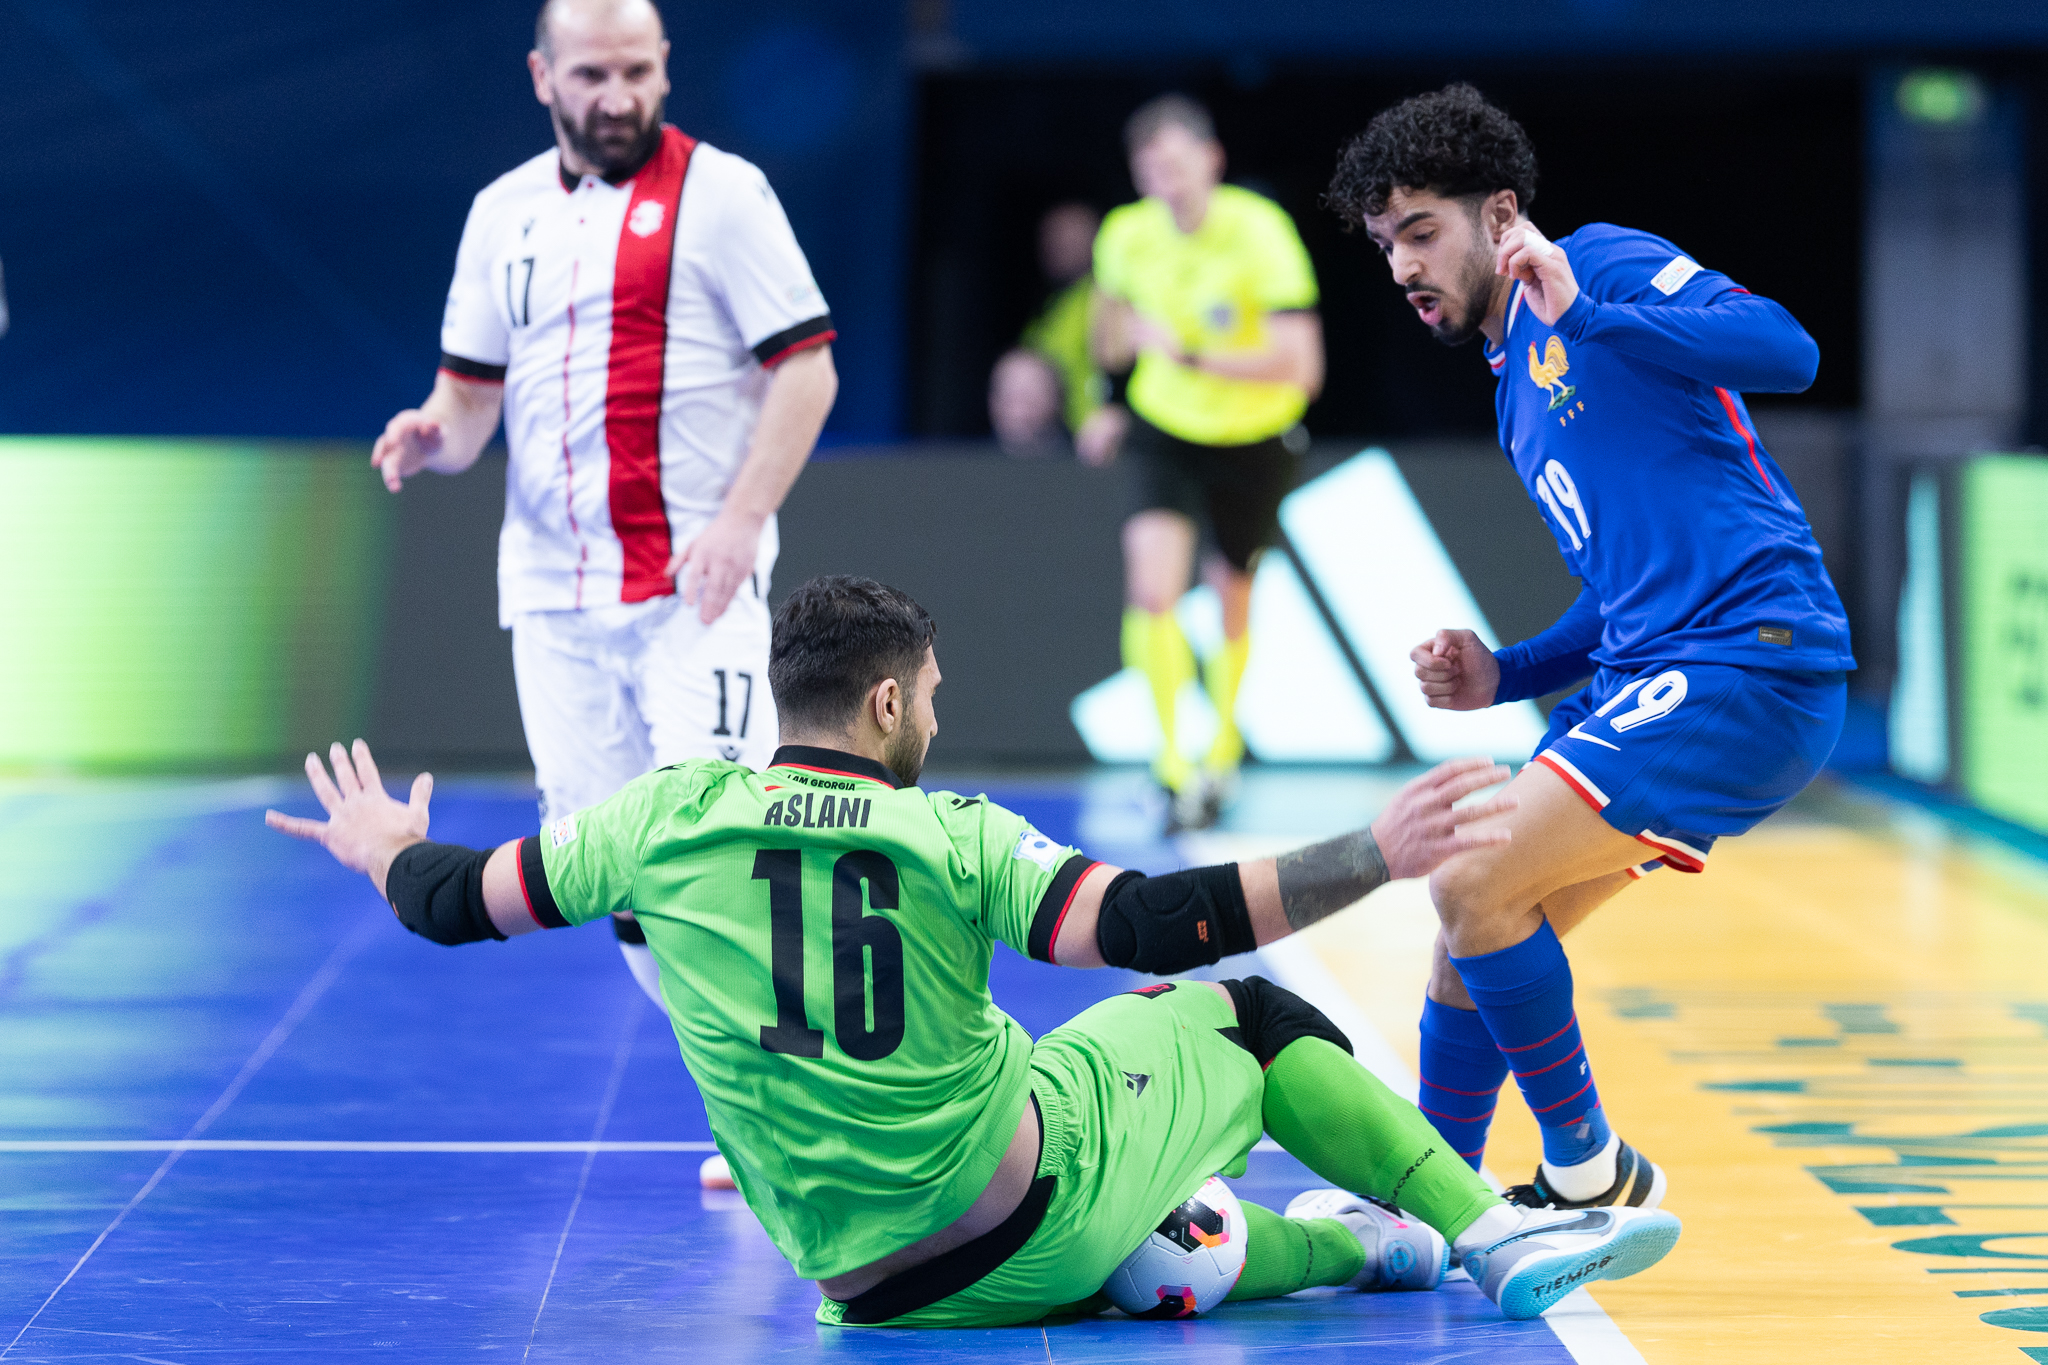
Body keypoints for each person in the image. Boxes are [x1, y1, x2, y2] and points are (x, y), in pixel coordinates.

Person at [265, 574, 1681, 1328]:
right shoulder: (950, 834)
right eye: (930, 696)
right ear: (885, 703)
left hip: (877, 1299)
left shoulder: (660, 819)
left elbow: (454, 901)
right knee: (1244, 1019)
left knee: (1159, 1230)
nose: (935, 718)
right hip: (1028, 1213)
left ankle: (1337, 1253)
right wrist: (1372, 853)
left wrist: (385, 844)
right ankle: (1486, 1231)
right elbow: (1144, 924)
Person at [1326, 84, 1853, 1209]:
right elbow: (1620, 592)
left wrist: (1588, 313)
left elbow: (1789, 349)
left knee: (1468, 875)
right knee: (1469, 924)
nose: (1402, 266)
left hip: (1750, 658)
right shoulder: (1512, 389)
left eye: (1420, 232)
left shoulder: (1600, 266)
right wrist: (1505, 672)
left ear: (1500, 216)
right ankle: (1428, 1203)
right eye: (1384, 245)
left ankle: (1587, 1168)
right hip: (1662, 667)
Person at [367, 0, 838, 1006]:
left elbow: (808, 369)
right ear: (543, 76)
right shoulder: (501, 213)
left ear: (665, 65)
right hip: (552, 600)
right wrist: (432, 433)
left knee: (724, 850)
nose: (617, 97)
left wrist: (741, 520)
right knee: (611, 874)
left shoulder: (724, 195)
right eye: (591, 75)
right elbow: (468, 402)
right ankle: (730, 1079)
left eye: (636, 71)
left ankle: (807, 1076)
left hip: (692, 592)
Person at [1077, 95, 1325, 832]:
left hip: (1255, 435)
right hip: (1165, 429)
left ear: (1212, 160)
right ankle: (1170, 767)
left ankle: (1220, 752)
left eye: (1178, 164)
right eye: (1151, 169)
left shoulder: (1260, 231)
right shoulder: (1125, 236)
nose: (1166, 181)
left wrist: (1188, 353)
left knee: (1230, 595)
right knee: (1152, 591)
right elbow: (1110, 331)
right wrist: (1108, 396)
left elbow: (1303, 366)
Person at [1018, 202, 1105, 438]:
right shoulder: (1051, 306)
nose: (1057, 246)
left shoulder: (1106, 298)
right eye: (1051, 237)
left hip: (1090, 436)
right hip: (1050, 436)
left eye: (1070, 237)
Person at [988, 348, 1067, 456]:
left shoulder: (1080, 458)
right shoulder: (973, 458)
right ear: (993, 401)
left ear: (1055, 400)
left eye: (1030, 400)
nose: (1019, 412)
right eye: (1010, 399)